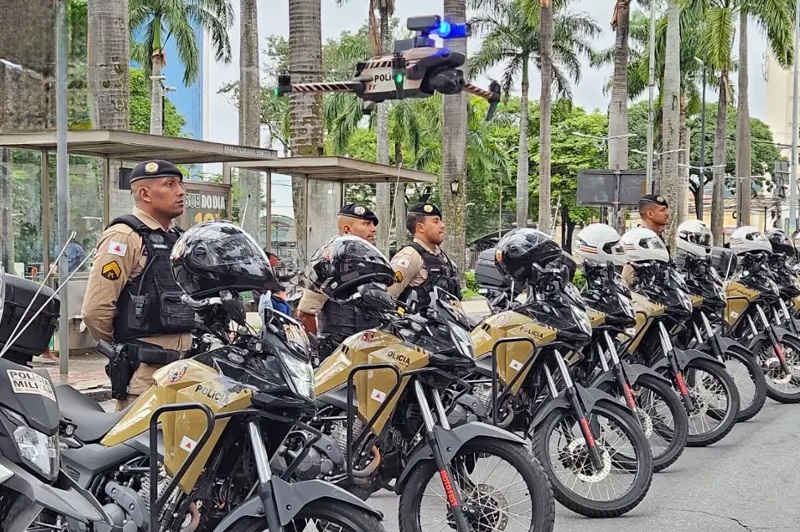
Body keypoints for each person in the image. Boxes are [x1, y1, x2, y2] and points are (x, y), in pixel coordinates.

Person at [82, 160, 195, 410]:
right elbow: (96, 309)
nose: (180, 191)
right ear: (145, 194)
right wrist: (124, 348)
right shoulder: (124, 236)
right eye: (170, 184)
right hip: (145, 375)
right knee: (144, 436)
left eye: (180, 184)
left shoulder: (179, 239)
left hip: (185, 371)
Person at [296, 204, 380, 350]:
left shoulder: (374, 262)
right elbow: (305, 312)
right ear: (347, 229)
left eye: (373, 224)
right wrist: (316, 350)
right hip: (338, 349)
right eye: (366, 224)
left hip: (370, 347)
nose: (373, 229)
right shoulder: (330, 263)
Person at [388, 202, 460, 308]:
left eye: (441, 221)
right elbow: (387, 298)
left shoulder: (441, 256)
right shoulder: (410, 256)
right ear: (420, 227)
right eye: (436, 221)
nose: (442, 225)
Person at [622, 194, 671, 287]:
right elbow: (627, 278)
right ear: (650, 214)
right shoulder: (635, 240)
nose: (667, 213)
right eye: (662, 210)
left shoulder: (657, 238)